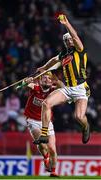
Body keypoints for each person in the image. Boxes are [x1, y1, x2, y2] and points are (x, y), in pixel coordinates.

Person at [33, 14, 90, 145]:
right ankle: (44, 134)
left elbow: (75, 36)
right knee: (46, 104)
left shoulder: (80, 50)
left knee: (78, 117)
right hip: (67, 87)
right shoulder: (63, 54)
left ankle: (86, 126)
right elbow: (54, 60)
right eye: (67, 40)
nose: (69, 41)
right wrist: (43, 67)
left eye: (70, 39)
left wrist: (66, 24)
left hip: (81, 88)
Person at [18, 72, 62, 177]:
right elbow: (22, 85)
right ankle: (46, 157)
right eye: (44, 78)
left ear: (52, 81)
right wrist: (26, 81)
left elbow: (63, 87)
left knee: (52, 148)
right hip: (33, 120)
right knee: (42, 144)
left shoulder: (53, 90)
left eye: (49, 78)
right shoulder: (35, 87)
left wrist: (56, 80)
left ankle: (53, 171)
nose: (46, 80)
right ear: (40, 80)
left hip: (47, 121)